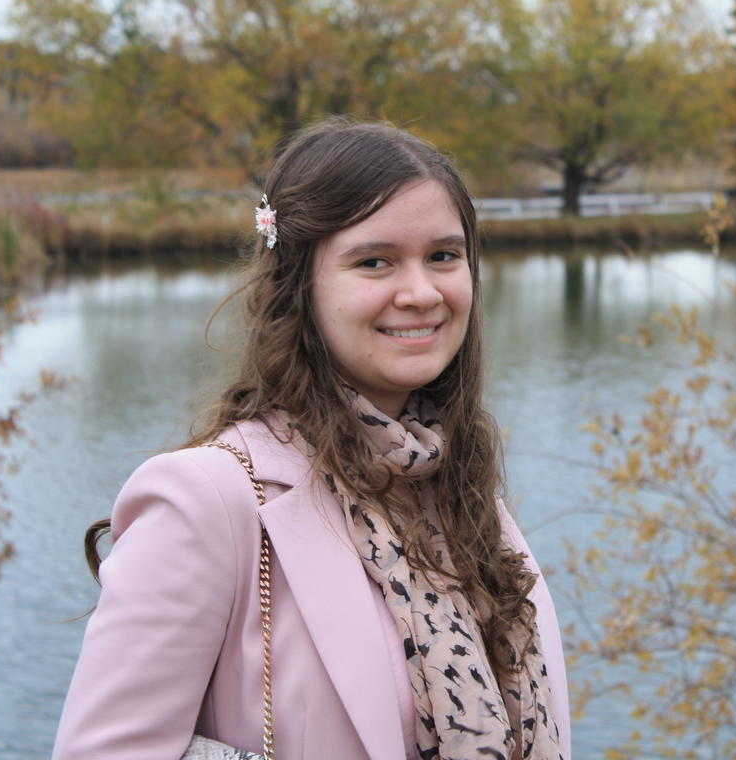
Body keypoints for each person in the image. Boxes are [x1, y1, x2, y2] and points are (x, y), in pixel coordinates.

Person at [53, 118, 570, 760]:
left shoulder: (459, 492)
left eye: (443, 255)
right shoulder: (208, 500)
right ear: (301, 286)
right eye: (374, 261)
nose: (420, 292)